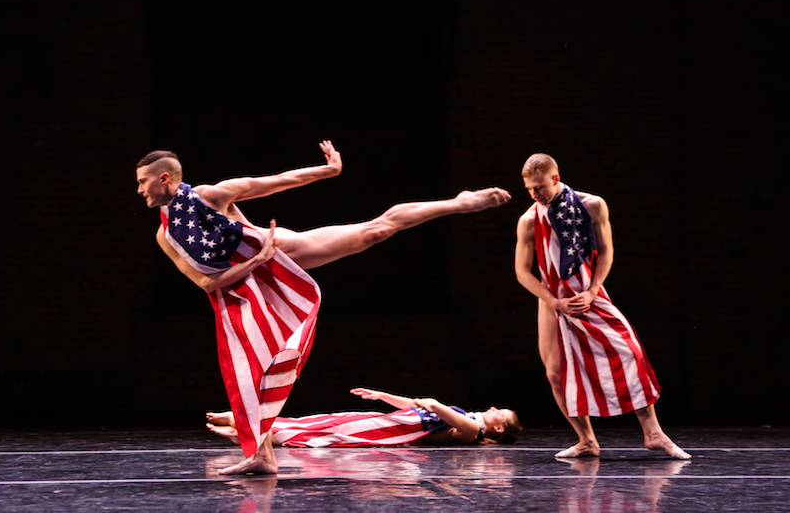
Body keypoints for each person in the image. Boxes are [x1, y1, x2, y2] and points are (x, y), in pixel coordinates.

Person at [135, 141, 511, 474]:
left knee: (375, 231)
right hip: (243, 293)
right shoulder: (166, 234)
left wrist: (329, 170)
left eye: (142, 182)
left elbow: (277, 181)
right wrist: (252, 262)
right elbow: (205, 282)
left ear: (164, 178)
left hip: (282, 254)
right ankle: (261, 456)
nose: (139, 190)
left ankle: (458, 203)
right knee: (248, 375)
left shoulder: (211, 196)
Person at [514, 153, 690, 460]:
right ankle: (586, 441)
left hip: (588, 294)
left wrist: (593, 291)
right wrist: (555, 302)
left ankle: (653, 433)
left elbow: (607, 252)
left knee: (630, 352)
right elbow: (521, 271)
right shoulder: (529, 220)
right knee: (555, 373)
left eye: (539, 187)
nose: (534, 194)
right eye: (529, 189)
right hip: (554, 301)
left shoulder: (592, 205)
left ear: (556, 178)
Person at [206, 387, 522, 447]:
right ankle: (242, 429)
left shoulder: (469, 431)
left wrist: (436, 404)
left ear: (497, 426)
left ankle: (240, 425)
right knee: (319, 422)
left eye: (500, 413)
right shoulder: (465, 419)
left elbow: (432, 408)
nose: (493, 409)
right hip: (389, 422)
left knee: (320, 432)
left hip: (389, 432)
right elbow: (416, 406)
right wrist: (382, 396)